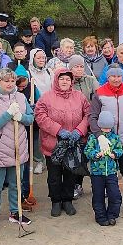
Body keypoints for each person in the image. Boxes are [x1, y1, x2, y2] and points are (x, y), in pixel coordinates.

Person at [0, 68, 34, 232]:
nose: (10, 84)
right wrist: (8, 114)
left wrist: (21, 117)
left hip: (18, 148)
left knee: (16, 184)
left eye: (12, 81)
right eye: (6, 81)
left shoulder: (20, 97)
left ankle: (15, 211)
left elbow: (30, 118)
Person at [35, 66, 90, 217]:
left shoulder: (80, 96)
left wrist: (79, 131)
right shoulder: (46, 97)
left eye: (68, 79)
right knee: (54, 175)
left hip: (73, 142)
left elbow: (88, 114)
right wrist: (59, 130)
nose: (65, 81)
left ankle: (68, 200)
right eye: (62, 79)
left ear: (72, 81)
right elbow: (40, 116)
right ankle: (56, 201)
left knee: (71, 173)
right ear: (56, 80)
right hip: (53, 143)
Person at [89, 64, 123, 202]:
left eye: (119, 76)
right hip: (107, 139)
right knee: (107, 174)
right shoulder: (99, 93)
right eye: (113, 76)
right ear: (108, 77)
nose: (116, 79)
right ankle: (108, 204)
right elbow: (93, 116)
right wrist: (99, 135)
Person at [85, 109, 123, 226]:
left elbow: (120, 149)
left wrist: (115, 154)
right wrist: (96, 154)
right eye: (104, 128)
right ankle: (101, 216)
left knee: (115, 194)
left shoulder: (115, 137)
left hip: (111, 172)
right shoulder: (93, 138)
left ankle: (112, 215)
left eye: (109, 128)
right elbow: (87, 150)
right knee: (98, 195)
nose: (107, 130)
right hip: (97, 173)